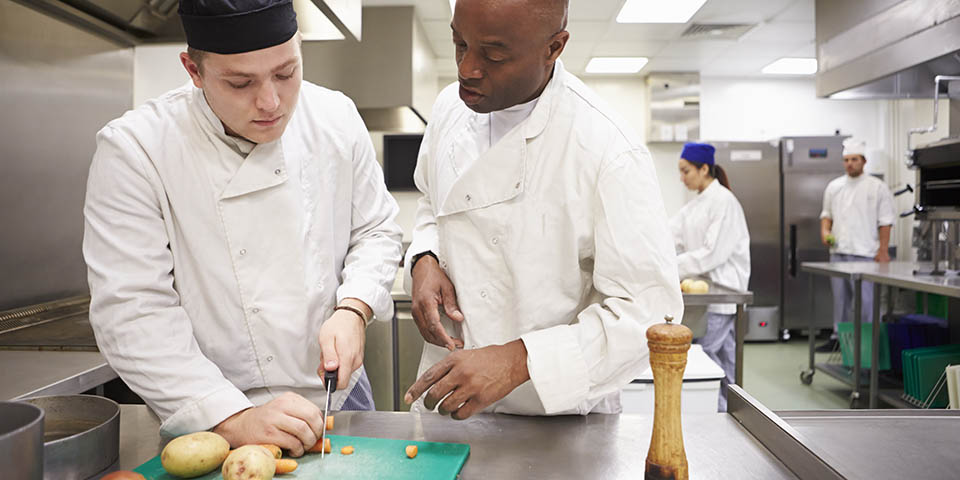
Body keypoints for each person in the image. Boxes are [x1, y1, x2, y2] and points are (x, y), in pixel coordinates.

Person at [82, 0, 402, 456]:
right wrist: (231, 418)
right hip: (209, 412)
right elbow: (132, 310)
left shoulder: (335, 117)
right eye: (240, 82)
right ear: (193, 70)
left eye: (287, 73)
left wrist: (354, 308)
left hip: (336, 398)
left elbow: (375, 229)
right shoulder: (137, 149)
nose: (271, 102)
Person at [401, 0, 683, 419]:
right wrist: (424, 259)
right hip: (447, 406)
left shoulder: (608, 149)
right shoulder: (448, 110)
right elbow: (429, 201)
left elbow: (648, 314)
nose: (467, 69)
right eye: (460, 43)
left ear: (554, 47)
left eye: (494, 54)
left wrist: (520, 360)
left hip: (557, 419)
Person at [669, 142, 750, 412]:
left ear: (704, 169)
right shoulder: (696, 204)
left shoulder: (723, 201)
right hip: (707, 293)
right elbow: (671, 234)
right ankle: (728, 412)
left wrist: (670, 265)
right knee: (723, 359)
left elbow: (711, 253)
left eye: (686, 171)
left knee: (709, 357)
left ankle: (717, 413)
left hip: (723, 292)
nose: (682, 179)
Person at [816, 138, 895, 352]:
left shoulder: (877, 188)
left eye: (854, 159)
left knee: (868, 304)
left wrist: (883, 250)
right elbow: (826, 215)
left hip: (866, 255)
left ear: (864, 161)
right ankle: (838, 340)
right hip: (839, 253)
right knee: (840, 301)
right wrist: (825, 232)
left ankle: (869, 343)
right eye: (846, 160)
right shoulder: (834, 187)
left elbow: (885, 221)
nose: (850, 163)